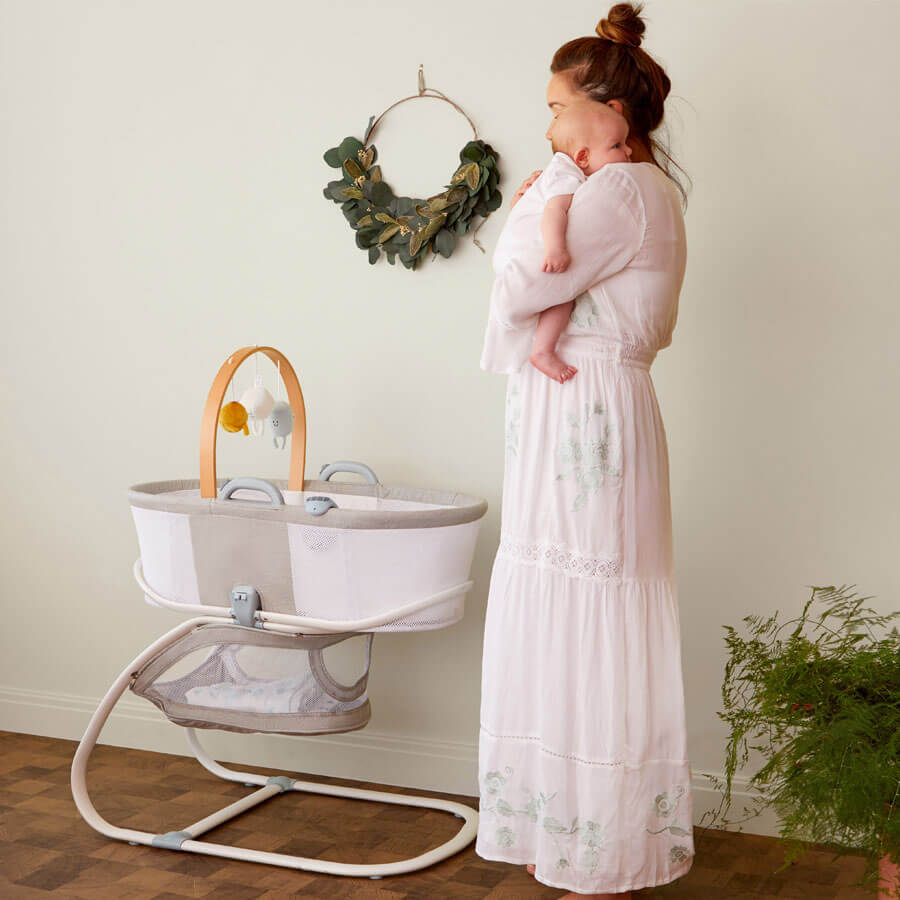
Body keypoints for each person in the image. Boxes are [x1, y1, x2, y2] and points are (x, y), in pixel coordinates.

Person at [476, 4, 695, 899]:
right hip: (569, 408)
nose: (549, 126)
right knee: (562, 601)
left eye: (556, 105)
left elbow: (526, 276)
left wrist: (532, 202)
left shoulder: (621, 191)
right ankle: (564, 827)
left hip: (588, 411)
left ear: (601, 106)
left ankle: (599, 845)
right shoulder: (626, 187)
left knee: (588, 600)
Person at [524, 102, 633, 383]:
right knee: (562, 296)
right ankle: (543, 350)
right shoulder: (566, 174)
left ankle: (542, 349)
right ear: (582, 156)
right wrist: (556, 249)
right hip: (542, 252)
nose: (629, 151)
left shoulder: (570, 171)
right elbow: (554, 211)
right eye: (618, 146)